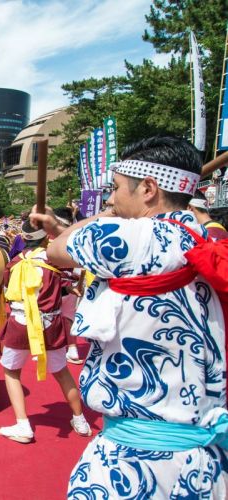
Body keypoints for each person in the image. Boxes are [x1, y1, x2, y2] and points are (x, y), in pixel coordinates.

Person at [31, 136, 227, 497]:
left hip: (136, 466)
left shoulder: (127, 235)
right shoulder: (206, 234)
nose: (109, 198)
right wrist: (70, 224)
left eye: (116, 188)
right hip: (203, 462)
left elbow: (57, 252)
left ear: (149, 188)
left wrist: (106, 215)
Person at [0, 219, 91, 444]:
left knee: (11, 371)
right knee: (61, 372)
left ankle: (23, 424)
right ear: (46, 237)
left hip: (20, 321)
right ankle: (80, 420)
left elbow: (9, 290)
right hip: (49, 323)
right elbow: (73, 278)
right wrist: (68, 287)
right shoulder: (54, 259)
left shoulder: (14, 262)